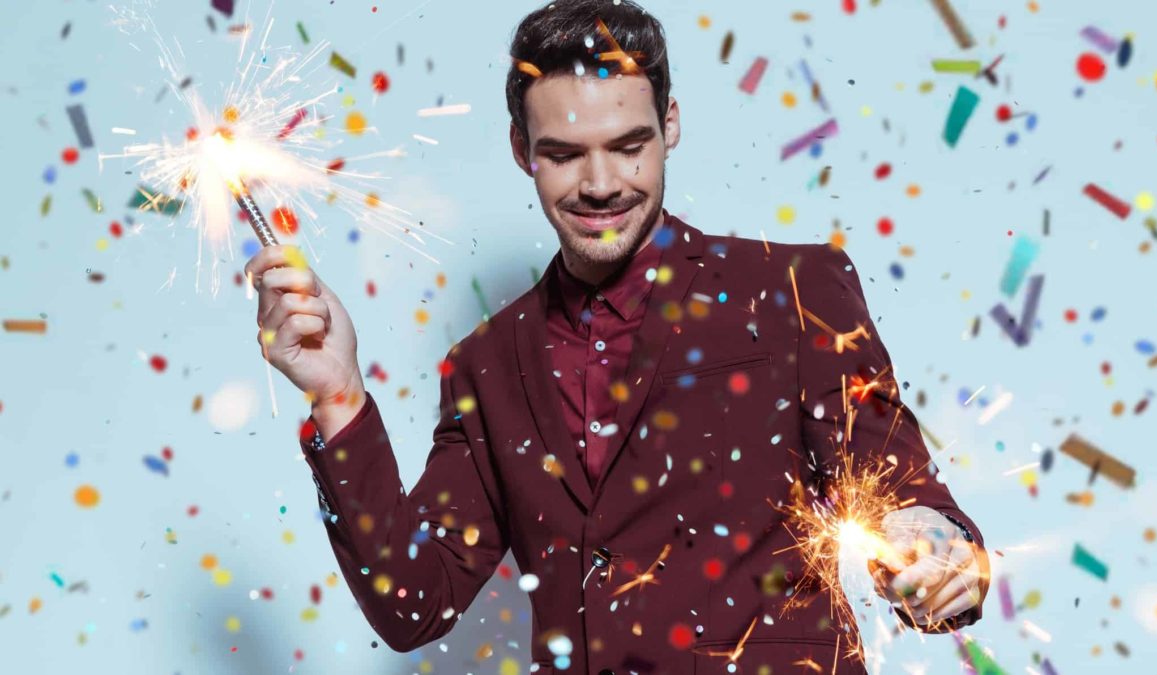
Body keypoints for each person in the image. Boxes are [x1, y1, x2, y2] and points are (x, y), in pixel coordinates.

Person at [243, 1, 989, 671]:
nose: (600, 184)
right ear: (520, 149)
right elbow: (414, 604)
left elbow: (894, 484)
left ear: (670, 125)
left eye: (628, 145)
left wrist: (935, 546)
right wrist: (338, 394)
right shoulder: (485, 366)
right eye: (565, 154)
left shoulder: (791, 291)